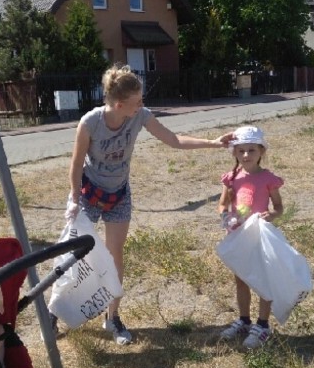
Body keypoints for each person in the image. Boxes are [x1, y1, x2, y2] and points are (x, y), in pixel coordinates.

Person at [65, 63, 234, 345]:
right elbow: (75, 164)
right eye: (138, 101)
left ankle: (112, 316)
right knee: (75, 254)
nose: (143, 105)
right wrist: (73, 198)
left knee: (115, 255)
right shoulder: (90, 123)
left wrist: (214, 143)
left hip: (118, 194)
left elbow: (174, 140)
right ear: (120, 104)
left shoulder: (140, 116)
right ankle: (59, 308)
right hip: (89, 193)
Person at [217, 125, 284, 349]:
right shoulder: (232, 178)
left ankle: (263, 325)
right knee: (242, 278)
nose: (246, 155)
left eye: (251, 150)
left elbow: (278, 207)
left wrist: (271, 214)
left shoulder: (267, 178)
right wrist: (226, 217)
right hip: (238, 236)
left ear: (261, 151)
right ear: (234, 152)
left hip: (259, 236)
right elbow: (223, 204)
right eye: (241, 150)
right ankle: (244, 320)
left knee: (263, 278)